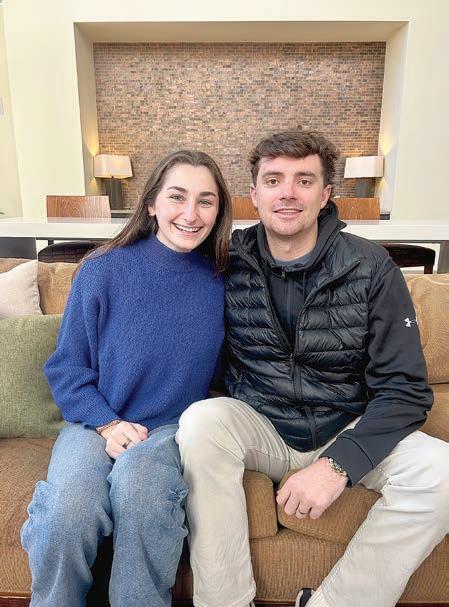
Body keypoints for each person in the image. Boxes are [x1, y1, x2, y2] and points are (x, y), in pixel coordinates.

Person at [176, 130, 449, 607]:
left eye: (304, 181)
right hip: (260, 423)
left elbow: (406, 389)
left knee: (442, 471)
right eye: (273, 180)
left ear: (325, 195)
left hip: (347, 423)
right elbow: (159, 264)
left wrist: (338, 464)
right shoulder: (225, 259)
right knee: (201, 422)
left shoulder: (372, 267)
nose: (287, 193)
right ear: (254, 194)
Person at [21, 149, 232, 607]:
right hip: (95, 421)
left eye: (206, 201)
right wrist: (107, 423)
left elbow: (228, 373)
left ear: (219, 212)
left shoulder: (223, 282)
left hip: (171, 430)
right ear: (151, 203)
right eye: (177, 197)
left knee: (141, 495)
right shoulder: (102, 270)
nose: (191, 214)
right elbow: (67, 367)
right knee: (68, 511)